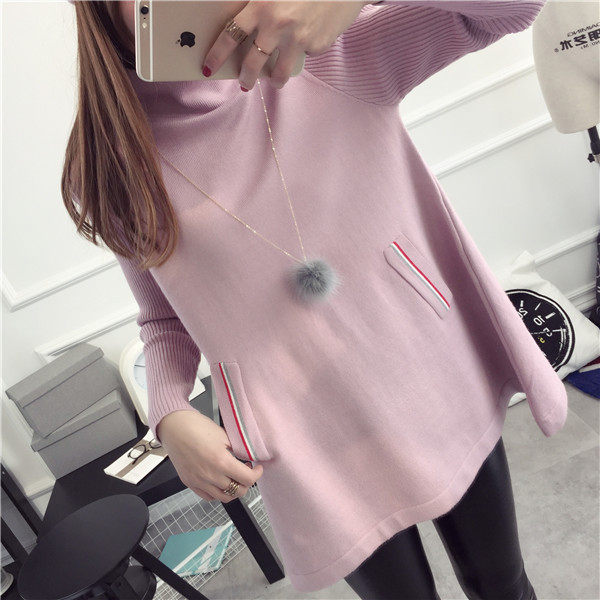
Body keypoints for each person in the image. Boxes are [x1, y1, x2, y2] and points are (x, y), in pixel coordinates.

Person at [62, 1, 566, 597]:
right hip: (308, 441)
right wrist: (168, 412)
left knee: (502, 585)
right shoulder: (114, 164)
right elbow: (165, 314)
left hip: (428, 376)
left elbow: (512, 9)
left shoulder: (328, 52)